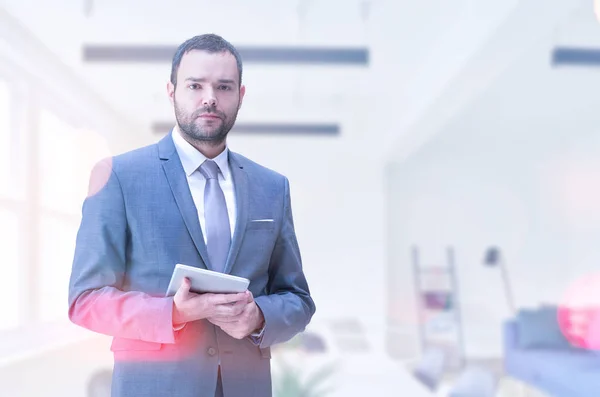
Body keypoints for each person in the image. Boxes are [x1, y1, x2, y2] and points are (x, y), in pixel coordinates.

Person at [68, 33, 316, 397]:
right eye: (195, 85)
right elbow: (84, 300)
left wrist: (260, 317)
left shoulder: (272, 187)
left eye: (224, 86)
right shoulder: (119, 176)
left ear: (240, 96)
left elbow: (298, 299)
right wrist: (172, 313)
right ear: (171, 91)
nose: (210, 97)